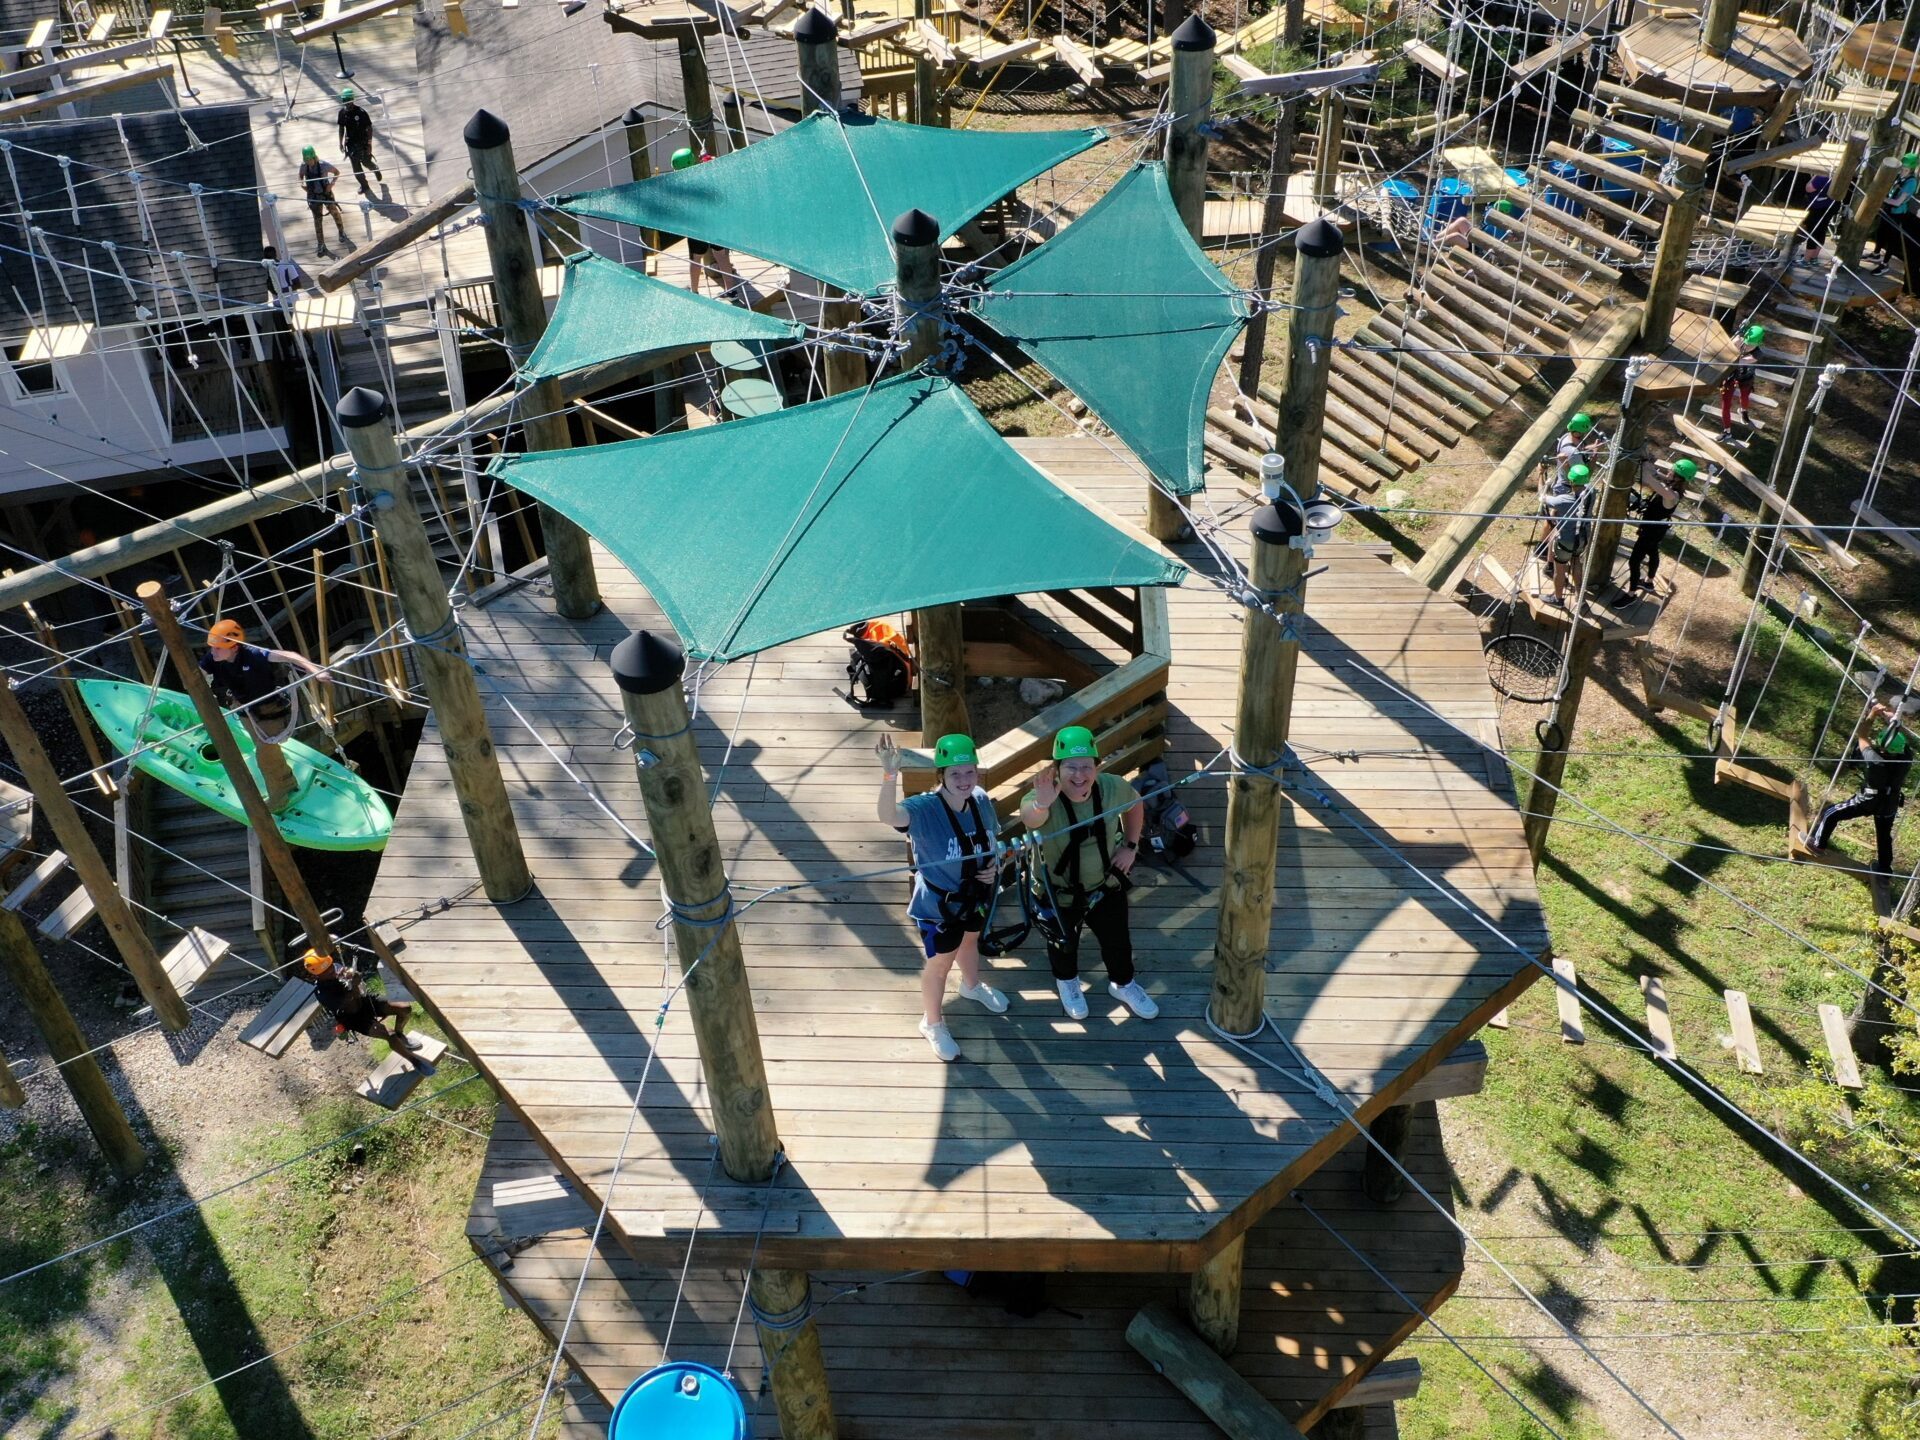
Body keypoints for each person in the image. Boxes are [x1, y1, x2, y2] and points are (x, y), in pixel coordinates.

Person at [877, 733, 1010, 1061]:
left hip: (974, 895)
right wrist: (889, 774)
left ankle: (971, 985)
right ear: (941, 776)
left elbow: (992, 843)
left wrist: (993, 866)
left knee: (970, 942)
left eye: (969, 772)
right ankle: (932, 1022)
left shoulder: (979, 799)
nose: (964, 781)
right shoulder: (923, 809)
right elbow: (889, 816)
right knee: (939, 964)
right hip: (939, 906)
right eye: (955, 774)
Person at [1018, 725, 1157, 1022]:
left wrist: (1131, 846)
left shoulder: (1111, 787)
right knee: (1063, 943)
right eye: (1070, 767)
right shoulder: (1042, 795)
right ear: (1056, 768)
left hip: (1104, 883)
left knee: (1117, 939)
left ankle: (1123, 984)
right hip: (1058, 891)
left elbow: (1135, 805)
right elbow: (1031, 817)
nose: (1079, 775)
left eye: (1086, 767)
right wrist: (1042, 801)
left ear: (1098, 766)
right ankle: (1067, 982)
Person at [198, 618, 328, 812]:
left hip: (269, 712)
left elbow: (290, 656)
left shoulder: (255, 655)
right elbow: (196, 673)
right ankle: (288, 781)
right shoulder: (213, 659)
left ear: (233, 647)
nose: (213, 651)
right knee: (269, 751)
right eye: (213, 647)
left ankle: (278, 798)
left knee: (264, 756)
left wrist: (316, 671)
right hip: (245, 711)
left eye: (218, 648)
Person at [1804, 699, 1914, 875]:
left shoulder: (1875, 760)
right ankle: (1885, 868)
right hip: (1890, 802)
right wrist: (1893, 720)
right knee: (1884, 837)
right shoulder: (1907, 758)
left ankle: (1818, 845)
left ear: (1883, 749)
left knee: (1832, 813)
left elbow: (1862, 735)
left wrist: (1872, 714)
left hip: (1869, 800)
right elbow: (1900, 741)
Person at [303, 949, 427, 1068]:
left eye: (331, 966)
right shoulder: (322, 993)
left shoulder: (334, 968)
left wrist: (354, 974)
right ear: (317, 976)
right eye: (328, 972)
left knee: (405, 1009)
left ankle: (401, 1035)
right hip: (353, 1016)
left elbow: (354, 979)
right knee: (390, 1035)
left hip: (364, 1001)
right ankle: (415, 1061)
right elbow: (349, 1004)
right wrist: (354, 985)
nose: (332, 971)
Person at [1614, 457, 1688, 603]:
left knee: (1634, 561)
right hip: (1656, 529)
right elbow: (1655, 474)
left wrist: (1641, 463)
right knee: (1653, 551)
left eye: (1671, 472)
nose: (1668, 472)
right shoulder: (1672, 487)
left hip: (1651, 532)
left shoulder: (1671, 495)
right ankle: (1648, 581)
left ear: (1677, 478)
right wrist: (1646, 461)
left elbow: (1649, 479)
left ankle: (1631, 594)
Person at [670, 147, 736, 294]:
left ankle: (694, 291)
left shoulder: (680, 183)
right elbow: (714, 167)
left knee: (695, 259)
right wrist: (706, 158)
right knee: (721, 256)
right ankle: (731, 290)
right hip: (714, 221)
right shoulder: (705, 172)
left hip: (696, 225)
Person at [1538, 462, 1594, 605]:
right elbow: (1580, 482)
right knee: (1576, 562)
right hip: (1583, 537)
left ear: (1570, 481)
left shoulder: (1563, 500)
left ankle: (1557, 598)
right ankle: (1579, 597)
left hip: (1566, 540)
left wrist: (1540, 474)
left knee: (1560, 568)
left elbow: (1541, 496)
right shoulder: (1591, 493)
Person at [299, 145, 351, 256]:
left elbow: (337, 172)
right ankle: (321, 244)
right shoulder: (304, 166)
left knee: (334, 213)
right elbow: (300, 176)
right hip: (313, 196)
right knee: (317, 221)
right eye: (306, 160)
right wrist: (302, 184)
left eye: (310, 159)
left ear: (314, 156)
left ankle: (341, 231)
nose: (308, 162)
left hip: (325, 194)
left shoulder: (323, 165)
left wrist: (331, 184)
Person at [335, 87, 384, 196]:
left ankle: (375, 169)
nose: (347, 103)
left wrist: (369, 144)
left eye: (349, 100)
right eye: (345, 101)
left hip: (363, 143)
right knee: (356, 170)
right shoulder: (342, 113)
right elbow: (341, 128)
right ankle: (364, 185)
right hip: (351, 145)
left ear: (353, 100)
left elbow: (369, 128)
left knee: (366, 162)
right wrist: (340, 142)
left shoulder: (361, 112)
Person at [1720, 325, 1762, 439]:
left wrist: (1735, 345)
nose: (1747, 346)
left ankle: (1743, 412)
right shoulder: (1740, 341)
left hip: (1745, 378)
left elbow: (1739, 361)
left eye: (1751, 344)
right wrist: (1736, 338)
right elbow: (1726, 348)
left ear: (1758, 343)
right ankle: (1727, 431)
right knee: (1725, 405)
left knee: (1744, 397)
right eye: (1747, 342)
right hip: (1730, 377)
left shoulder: (1757, 354)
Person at [1795, 175, 1839, 266]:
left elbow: (1809, 188)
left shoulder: (1822, 176)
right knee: (1821, 231)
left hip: (1818, 207)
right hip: (1829, 206)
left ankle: (1806, 260)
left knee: (1813, 232)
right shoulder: (1835, 176)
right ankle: (1813, 258)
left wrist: (1813, 176)